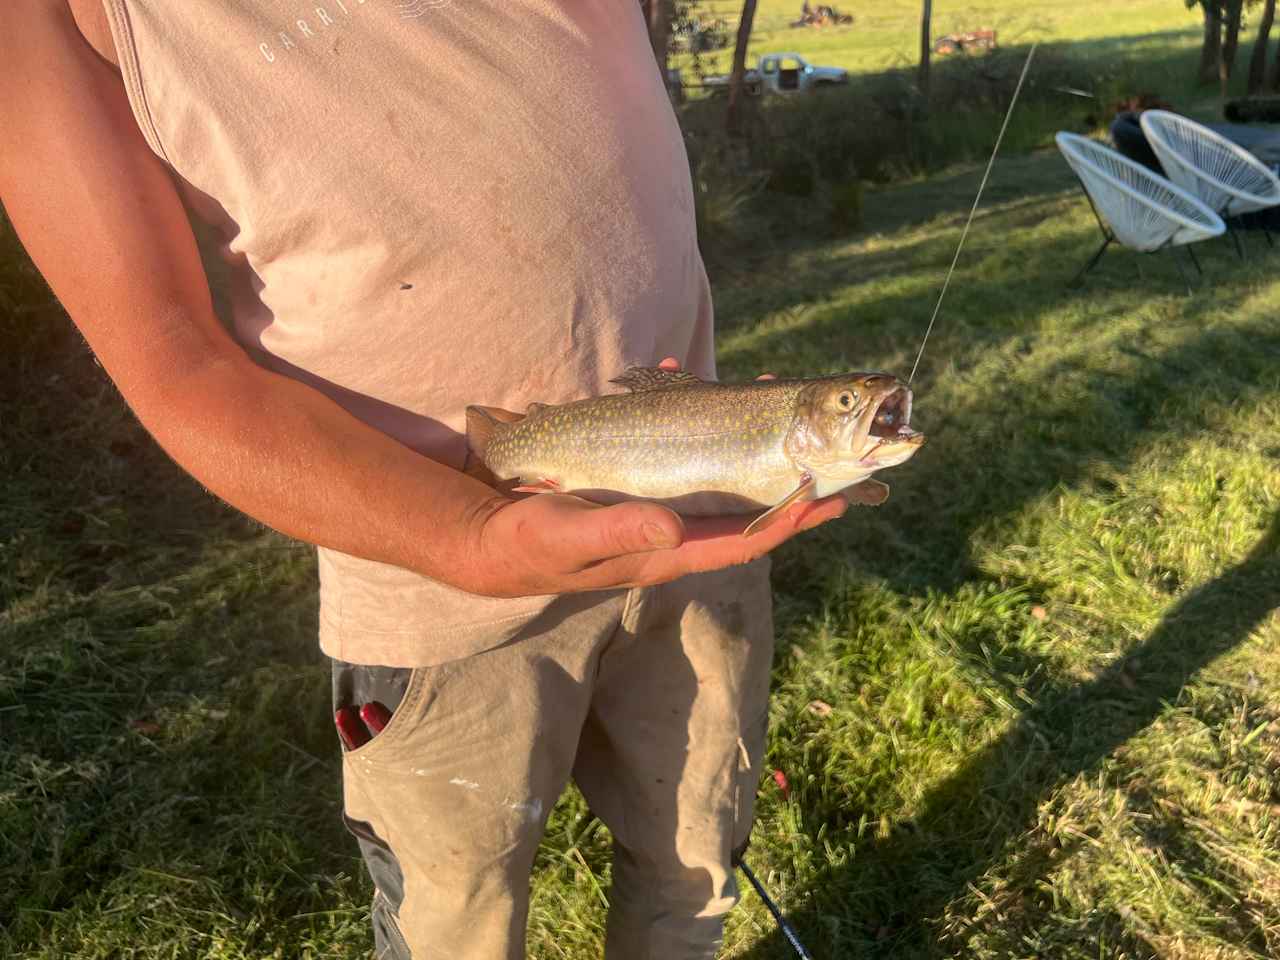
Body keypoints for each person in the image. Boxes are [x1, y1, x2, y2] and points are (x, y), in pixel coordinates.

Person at [0, 3, 849, 958]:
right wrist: (467, 536)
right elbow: (174, 360)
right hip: (430, 594)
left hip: (706, 516)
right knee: (459, 914)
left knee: (692, 857)